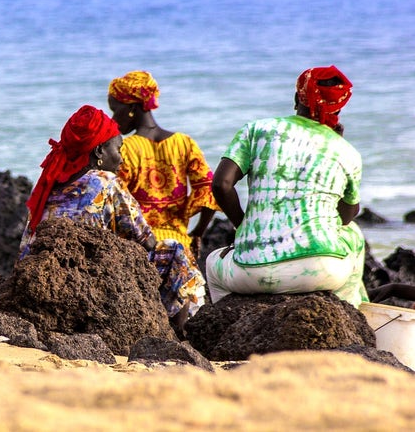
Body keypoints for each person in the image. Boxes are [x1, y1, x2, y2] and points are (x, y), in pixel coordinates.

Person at [19, 104, 206, 331]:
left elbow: (26, 249)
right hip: (95, 281)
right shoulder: (104, 181)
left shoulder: (47, 186)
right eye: (118, 149)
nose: (121, 159)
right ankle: (178, 332)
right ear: (99, 152)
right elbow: (145, 239)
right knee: (177, 253)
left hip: (49, 284)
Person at [205, 65, 368, 307]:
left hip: (253, 270)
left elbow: (221, 184)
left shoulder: (257, 130)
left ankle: (231, 324)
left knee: (211, 264)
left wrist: (243, 226)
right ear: (339, 107)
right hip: (323, 271)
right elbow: (345, 216)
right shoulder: (348, 152)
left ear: (296, 98)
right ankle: (350, 318)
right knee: (354, 237)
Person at [107, 70, 219, 269]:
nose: (113, 118)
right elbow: (210, 189)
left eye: (115, 110)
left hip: (139, 251)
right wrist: (198, 233)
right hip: (179, 247)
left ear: (132, 107)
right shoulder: (184, 143)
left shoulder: (125, 149)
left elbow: (115, 202)